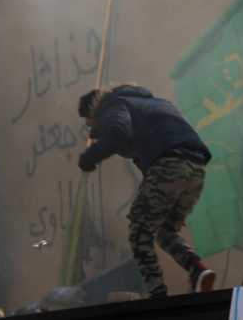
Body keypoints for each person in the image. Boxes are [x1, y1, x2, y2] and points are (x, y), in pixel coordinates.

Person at [77, 84, 215, 298]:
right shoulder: (153, 104)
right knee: (164, 230)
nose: (91, 129)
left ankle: (156, 293)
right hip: (196, 169)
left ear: (93, 111)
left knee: (139, 231)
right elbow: (147, 154)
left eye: (89, 123)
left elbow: (118, 133)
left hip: (170, 163)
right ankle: (198, 269)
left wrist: (89, 157)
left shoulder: (113, 105)